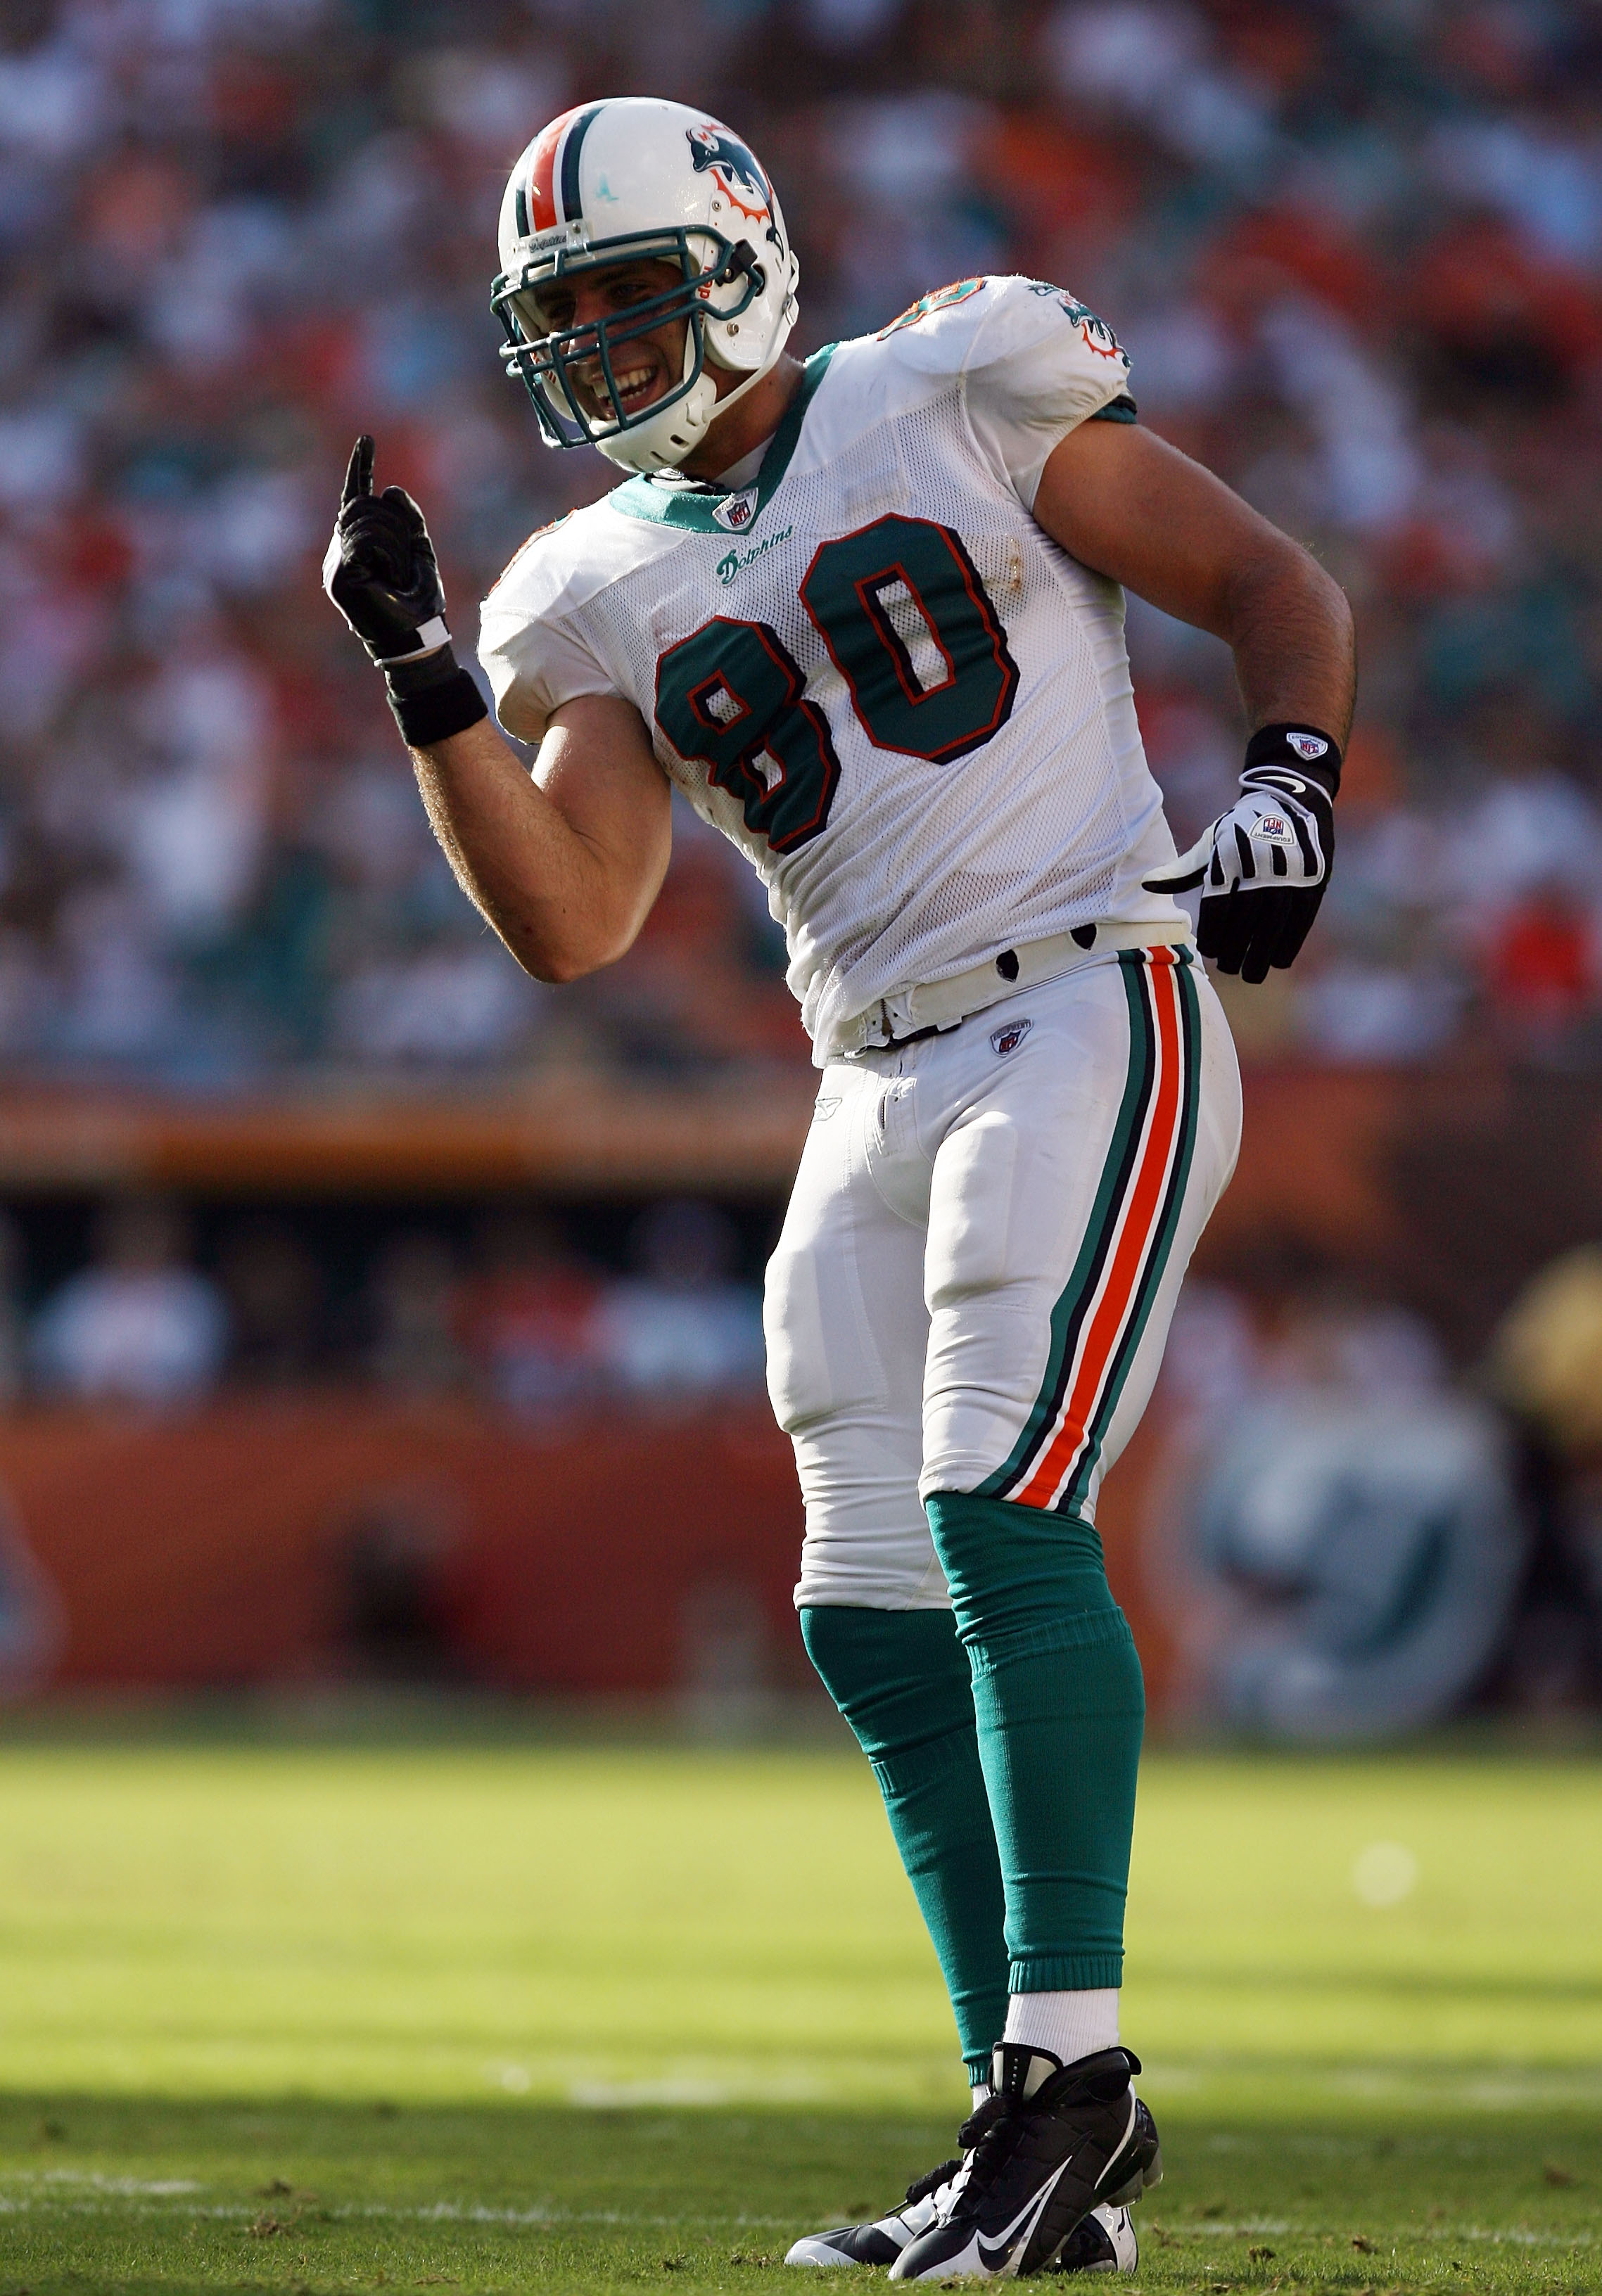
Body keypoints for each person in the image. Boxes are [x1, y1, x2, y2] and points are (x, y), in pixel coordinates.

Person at [324, 96, 1354, 2281]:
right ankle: (1023, 2116)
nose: (602, 353)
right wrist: (429, 689)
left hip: (1089, 994)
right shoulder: (589, 582)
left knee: (999, 1512)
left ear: (742, 258)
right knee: (862, 1602)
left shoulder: (949, 383)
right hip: (867, 1075)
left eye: (626, 297)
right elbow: (580, 920)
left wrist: (1292, 781)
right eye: (562, 323)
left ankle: (1072, 2090)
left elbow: (1270, 582)